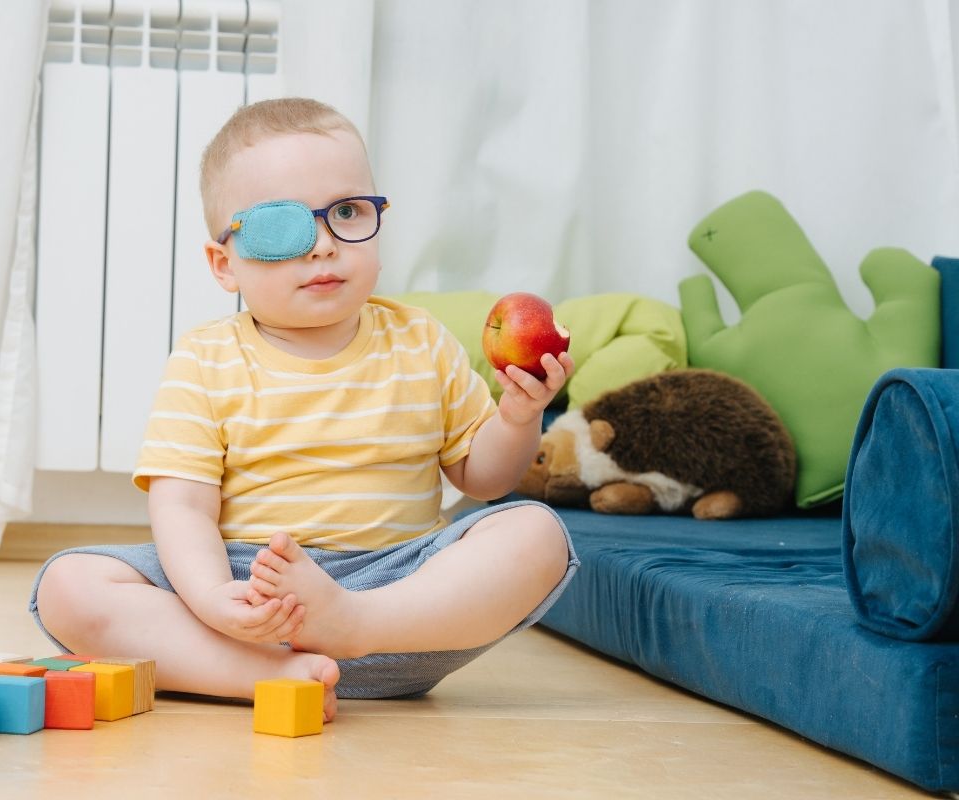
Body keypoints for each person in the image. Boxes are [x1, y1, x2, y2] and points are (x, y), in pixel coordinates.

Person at [30, 97, 579, 722]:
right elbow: (182, 506)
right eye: (279, 228)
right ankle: (262, 677)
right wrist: (215, 598)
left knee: (537, 532)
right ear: (224, 263)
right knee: (67, 585)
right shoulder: (206, 360)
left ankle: (346, 626)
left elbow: (485, 479)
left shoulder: (422, 342)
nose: (322, 246)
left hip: (396, 605)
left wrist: (516, 418)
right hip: (247, 601)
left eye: (346, 212)